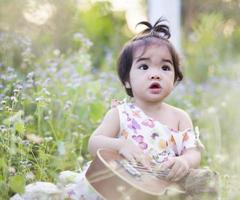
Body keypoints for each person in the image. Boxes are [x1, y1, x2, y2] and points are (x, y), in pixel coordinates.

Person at [11, 18, 218, 200]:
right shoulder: (121, 113)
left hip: (155, 191)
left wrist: (184, 160)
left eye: (165, 68)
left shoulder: (180, 117)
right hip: (115, 188)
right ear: (127, 80)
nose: (155, 74)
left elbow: (193, 153)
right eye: (144, 67)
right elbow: (94, 143)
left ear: (174, 80)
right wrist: (120, 145)